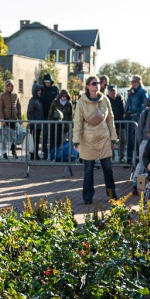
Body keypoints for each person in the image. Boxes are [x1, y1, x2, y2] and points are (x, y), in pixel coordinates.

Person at [73, 76, 118, 205]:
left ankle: (111, 194)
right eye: (93, 83)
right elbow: (77, 121)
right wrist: (76, 140)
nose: (96, 85)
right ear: (87, 86)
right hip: (88, 139)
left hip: (104, 138)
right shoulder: (82, 102)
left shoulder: (105, 100)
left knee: (108, 168)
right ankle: (87, 197)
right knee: (88, 169)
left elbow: (110, 119)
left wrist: (113, 138)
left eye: (98, 83)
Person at [124, 74, 147, 166]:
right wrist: (126, 112)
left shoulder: (142, 91)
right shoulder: (131, 92)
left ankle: (137, 158)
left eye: (134, 82)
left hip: (137, 119)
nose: (132, 83)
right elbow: (128, 103)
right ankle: (129, 159)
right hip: (129, 118)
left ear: (138, 82)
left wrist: (137, 113)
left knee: (136, 139)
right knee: (129, 139)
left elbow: (145, 104)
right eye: (131, 82)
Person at [0, 79, 22, 159]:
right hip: (6, 119)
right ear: (5, 87)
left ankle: (13, 149)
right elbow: (0, 108)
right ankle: (4, 153)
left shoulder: (16, 95)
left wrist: (20, 118)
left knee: (15, 135)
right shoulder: (2, 95)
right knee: (4, 137)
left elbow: (19, 107)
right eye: (8, 86)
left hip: (14, 119)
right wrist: (2, 119)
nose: (9, 87)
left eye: (11, 86)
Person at [49, 89, 72, 159]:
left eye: (65, 96)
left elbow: (71, 115)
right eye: (62, 96)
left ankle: (60, 156)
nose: (63, 97)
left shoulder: (69, 104)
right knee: (54, 141)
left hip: (65, 126)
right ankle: (52, 156)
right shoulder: (55, 102)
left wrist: (70, 124)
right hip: (55, 125)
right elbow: (50, 113)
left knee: (62, 142)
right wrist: (50, 122)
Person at [106, 85, 126, 162]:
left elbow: (124, 109)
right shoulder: (106, 99)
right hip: (110, 124)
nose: (113, 92)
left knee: (122, 140)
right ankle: (111, 156)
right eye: (111, 91)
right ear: (108, 91)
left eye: (114, 90)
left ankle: (121, 157)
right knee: (110, 140)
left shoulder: (120, 98)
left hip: (121, 124)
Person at [26, 85, 45, 159]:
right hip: (34, 125)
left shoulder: (39, 100)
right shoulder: (32, 100)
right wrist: (32, 122)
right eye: (38, 90)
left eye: (40, 90)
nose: (40, 92)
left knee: (36, 140)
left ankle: (35, 154)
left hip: (39, 124)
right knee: (33, 141)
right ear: (35, 91)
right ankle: (32, 155)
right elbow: (29, 113)